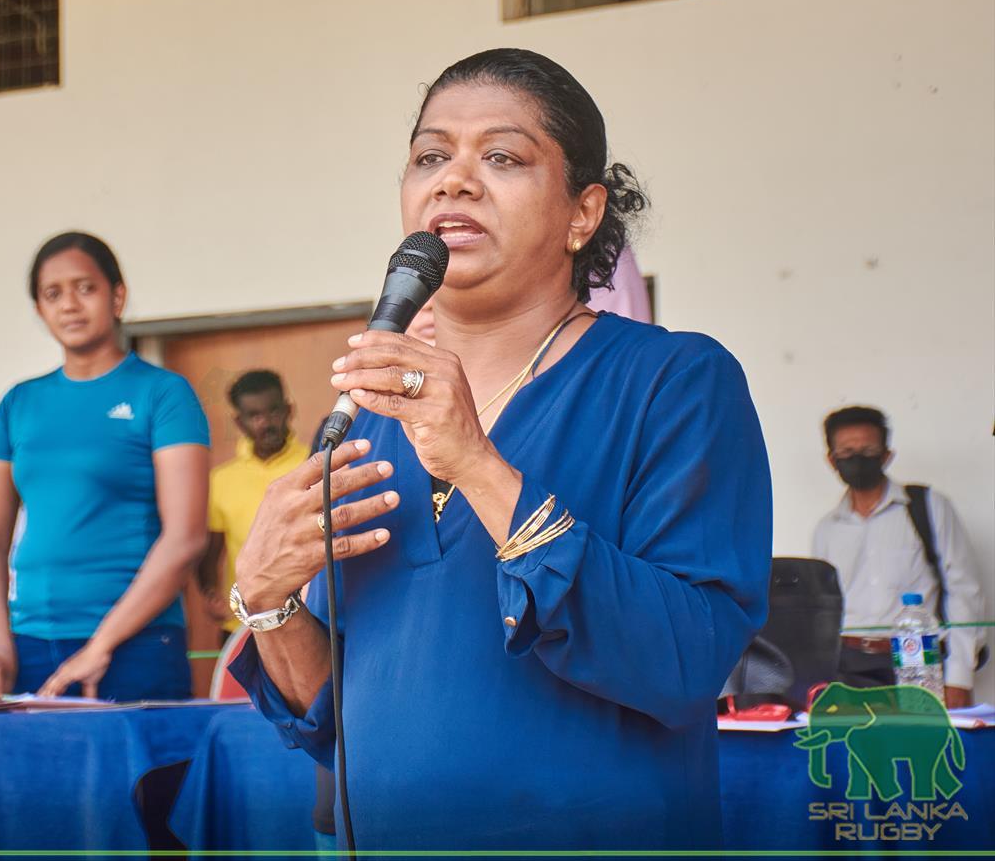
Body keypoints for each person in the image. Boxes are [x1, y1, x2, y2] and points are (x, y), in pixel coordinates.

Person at [229, 49, 772, 850]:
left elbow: (687, 664)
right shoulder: (365, 417)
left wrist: (479, 466)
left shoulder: (675, 381)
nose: (453, 179)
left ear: (583, 214)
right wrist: (268, 600)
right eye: (430, 155)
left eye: (503, 156)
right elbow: (333, 722)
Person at [0, 232, 209, 702]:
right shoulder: (18, 404)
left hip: (135, 646)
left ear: (117, 296)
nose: (69, 305)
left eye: (85, 287)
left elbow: (186, 538)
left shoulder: (163, 394)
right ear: (39, 309)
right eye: (52, 294)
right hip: (29, 647)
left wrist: (102, 644)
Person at [812, 405, 984, 708]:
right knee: (859, 752)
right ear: (831, 460)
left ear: (886, 455)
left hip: (918, 662)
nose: (857, 459)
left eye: (867, 450)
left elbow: (964, 592)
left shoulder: (928, 507)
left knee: (923, 751)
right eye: (847, 452)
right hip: (847, 669)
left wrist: (959, 678)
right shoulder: (827, 529)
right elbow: (822, 609)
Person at [198, 370, 310, 634]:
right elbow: (210, 554)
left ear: (289, 410)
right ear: (239, 422)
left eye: (273, 412)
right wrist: (210, 593)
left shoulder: (314, 464)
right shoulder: (221, 479)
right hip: (242, 623)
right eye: (255, 416)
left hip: (309, 617)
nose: (266, 423)